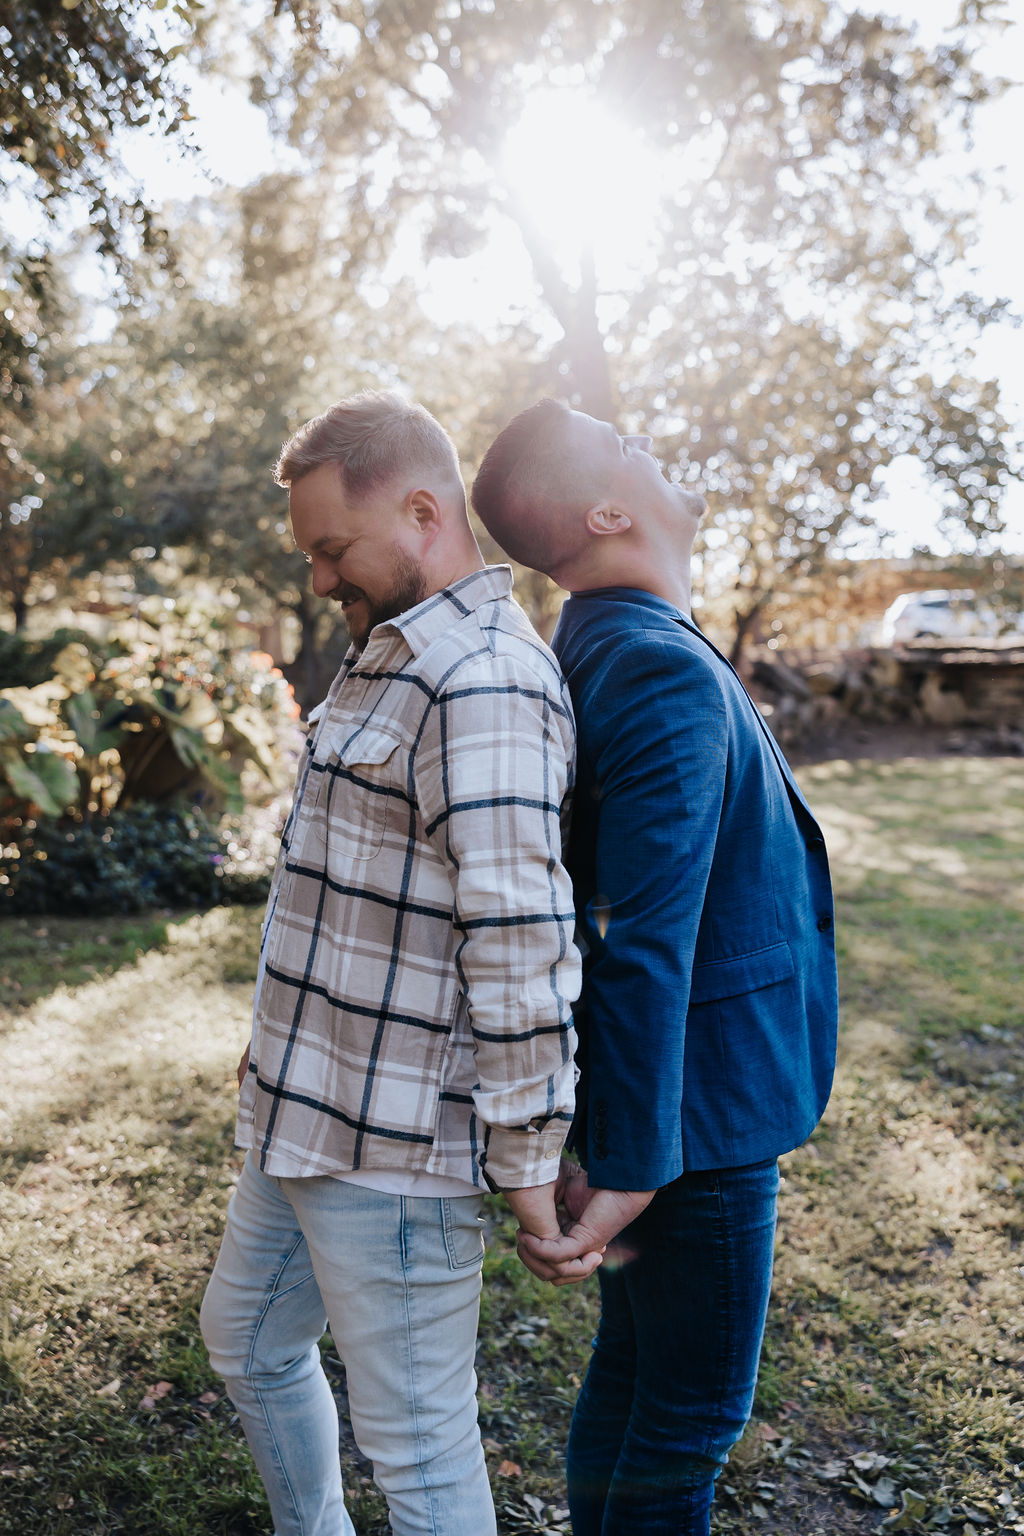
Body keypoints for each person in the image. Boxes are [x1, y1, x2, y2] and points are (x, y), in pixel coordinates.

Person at [200, 390, 593, 1536]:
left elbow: (521, 942)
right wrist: (271, 1049)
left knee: (418, 1457)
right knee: (247, 1342)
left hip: (400, 1159)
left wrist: (525, 1161)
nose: (320, 578)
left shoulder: (485, 684)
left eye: (332, 549)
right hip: (304, 1112)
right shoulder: (391, 652)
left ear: (423, 509)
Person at [470, 398, 839, 1536]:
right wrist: (632, 1156)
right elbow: (632, 931)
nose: (650, 442)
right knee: (685, 1422)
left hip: (677, 1113)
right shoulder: (650, 664)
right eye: (625, 441)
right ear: (606, 508)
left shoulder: (618, 642)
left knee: (634, 1387)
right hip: (699, 1120)